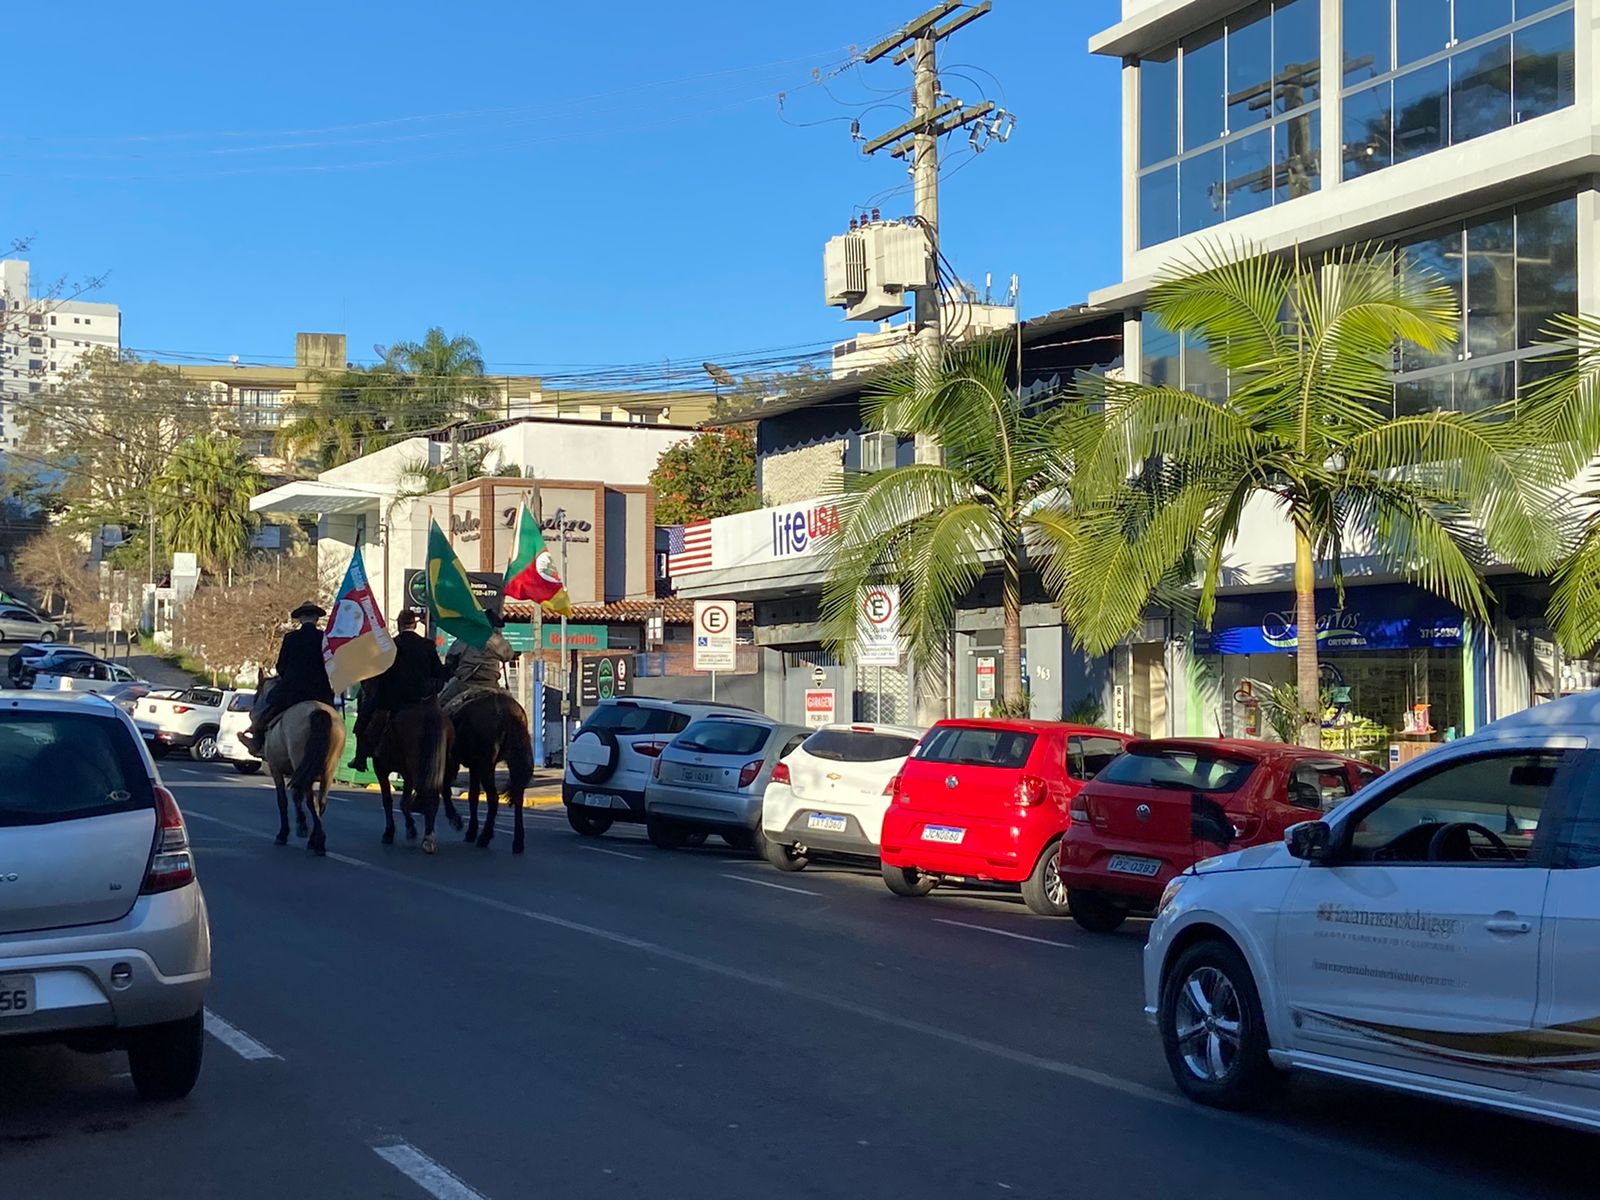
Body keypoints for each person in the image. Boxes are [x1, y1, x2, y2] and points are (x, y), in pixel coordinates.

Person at [348, 609, 447, 771]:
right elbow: (439, 672)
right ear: (415, 625)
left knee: (363, 721)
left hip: (394, 699)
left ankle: (360, 757)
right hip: (422, 698)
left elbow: (380, 672)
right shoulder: (427, 645)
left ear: (399, 624)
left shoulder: (390, 646)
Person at [241, 602, 336, 753]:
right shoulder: (326, 639)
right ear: (316, 619)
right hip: (321, 693)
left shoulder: (290, 638)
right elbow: (332, 664)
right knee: (335, 720)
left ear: (301, 619)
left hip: (292, 691)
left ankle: (256, 740)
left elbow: (281, 666)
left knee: (267, 709)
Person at [438, 609, 515, 707]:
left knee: (441, 704)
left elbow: (451, 661)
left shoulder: (464, 638)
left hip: (466, 684)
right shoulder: (498, 641)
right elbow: (509, 656)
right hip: (491, 684)